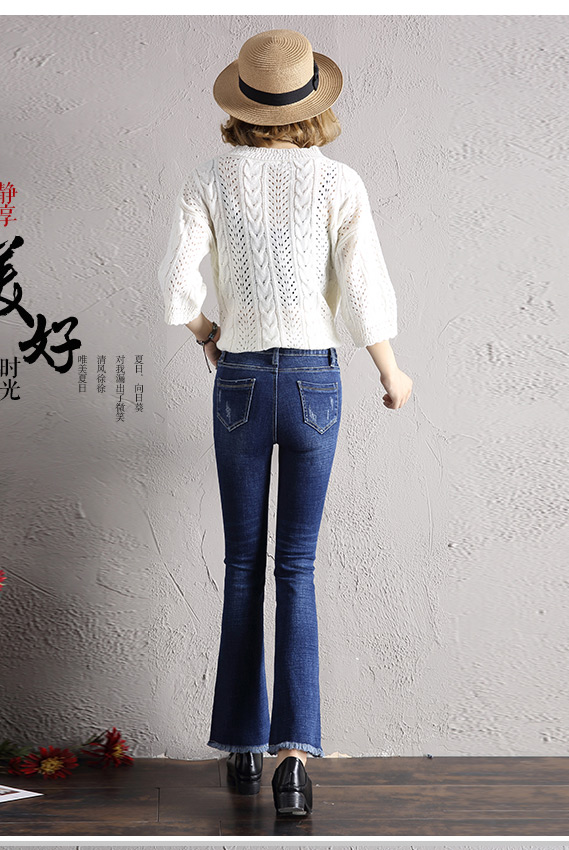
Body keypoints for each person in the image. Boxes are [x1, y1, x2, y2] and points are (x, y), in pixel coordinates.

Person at [157, 28, 413, 818]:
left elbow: (175, 285)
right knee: (296, 567)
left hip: (238, 377)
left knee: (242, 563)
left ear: (242, 102)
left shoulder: (209, 177)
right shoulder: (338, 180)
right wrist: (391, 371)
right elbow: (363, 286)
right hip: (312, 382)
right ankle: (293, 763)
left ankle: (240, 743)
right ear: (311, 103)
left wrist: (207, 331)